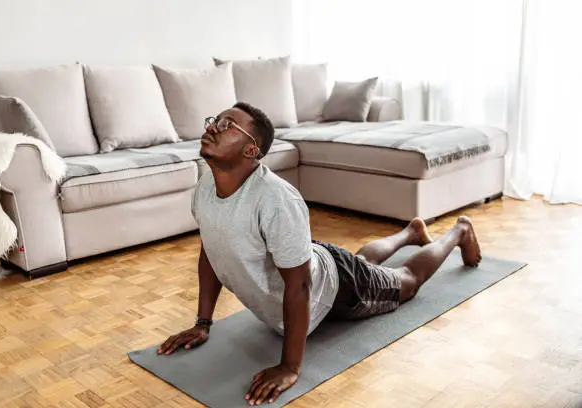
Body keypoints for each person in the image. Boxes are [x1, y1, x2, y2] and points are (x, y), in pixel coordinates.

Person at [157, 102, 482, 406]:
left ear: (251, 150)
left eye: (228, 125)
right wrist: (202, 323)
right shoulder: (205, 188)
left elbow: (299, 287)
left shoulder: (275, 199)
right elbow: (212, 250)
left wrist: (289, 366)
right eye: (215, 120)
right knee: (363, 263)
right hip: (317, 262)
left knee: (406, 282)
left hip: (337, 286)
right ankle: (411, 232)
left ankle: (458, 232)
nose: (214, 127)